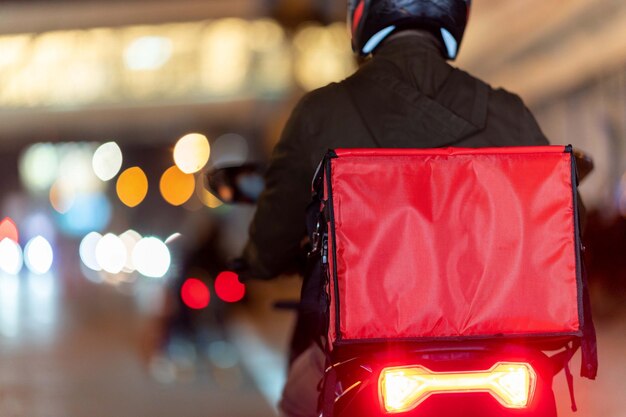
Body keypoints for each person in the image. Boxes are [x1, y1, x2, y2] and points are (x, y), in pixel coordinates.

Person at [239, 1, 549, 416]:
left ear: (363, 12)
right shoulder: (509, 113)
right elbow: (563, 224)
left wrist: (258, 261)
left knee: (298, 399)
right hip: (498, 354)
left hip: (366, 349)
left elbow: (273, 236)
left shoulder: (320, 112)